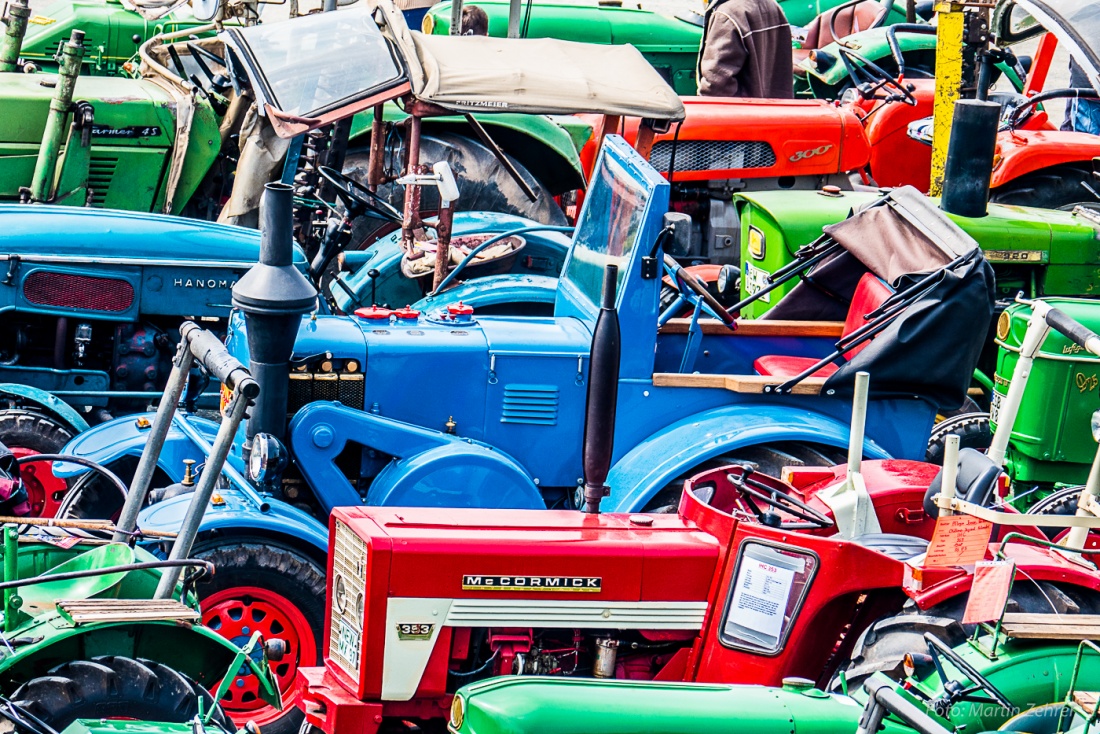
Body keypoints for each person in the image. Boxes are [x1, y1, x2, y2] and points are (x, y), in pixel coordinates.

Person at [697, 0, 794, 98]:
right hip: (775, 109)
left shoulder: (728, 14)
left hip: (741, 110)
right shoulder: (772, 5)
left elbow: (716, 84)